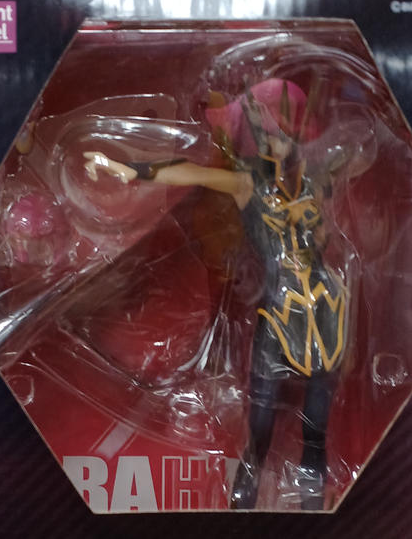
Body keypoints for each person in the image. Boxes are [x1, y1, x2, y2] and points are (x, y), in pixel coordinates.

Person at [85, 77, 350, 510]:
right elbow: (192, 173)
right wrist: (129, 169)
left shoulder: (316, 183)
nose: (277, 142)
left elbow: (346, 179)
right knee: (259, 432)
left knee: (315, 433)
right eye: (268, 132)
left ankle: (314, 518)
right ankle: (241, 512)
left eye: (285, 132)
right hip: (279, 311)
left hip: (324, 309)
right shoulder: (249, 183)